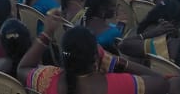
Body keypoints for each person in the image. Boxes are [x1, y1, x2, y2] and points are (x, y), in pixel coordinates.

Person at [20, 20, 167, 94]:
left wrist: (47, 33)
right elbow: (162, 82)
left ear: (63, 57)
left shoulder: (47, 79)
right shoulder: (119, 84)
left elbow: (23, 68)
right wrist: (115, 61)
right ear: (97, 58)